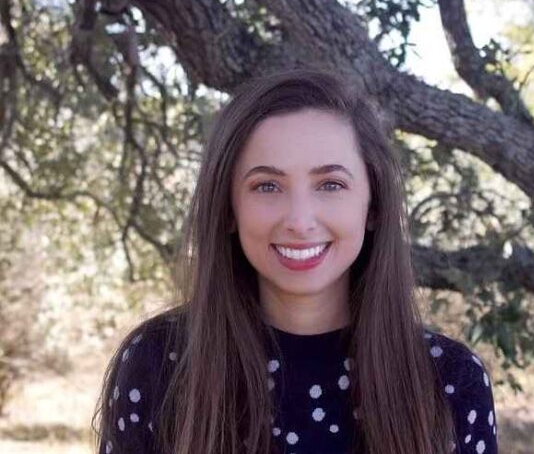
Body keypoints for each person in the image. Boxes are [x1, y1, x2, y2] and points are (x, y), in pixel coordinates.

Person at [93, 67, 498, 454]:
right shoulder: (160, 363)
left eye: (331, 184)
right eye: (267, 185)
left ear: (372, 205)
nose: (300, 221)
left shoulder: (449, 381)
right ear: (229, 208)